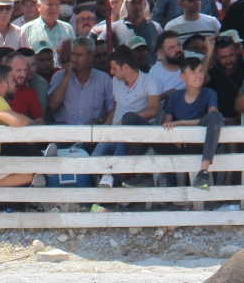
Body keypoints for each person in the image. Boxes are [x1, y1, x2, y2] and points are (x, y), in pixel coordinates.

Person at [93, 45, 159, 184]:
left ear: (125, 67)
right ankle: (96, 194)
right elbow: (117, 105)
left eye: (114, 68)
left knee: (123, 141)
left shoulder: (149, 81)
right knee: (94, 159)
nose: (111, 72)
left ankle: (113, 183)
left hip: (135, 135)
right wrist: (106, 125)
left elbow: (153, 110)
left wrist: (126, 120)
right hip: (113, 131)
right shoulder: (116, 80)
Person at [160, 54, 223, 190]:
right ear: (183, 77)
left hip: (200, 144)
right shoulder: (175, 97)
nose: (198, 75)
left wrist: (182, 124)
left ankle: (203, 173)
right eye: (193, 72)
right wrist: (178, 134)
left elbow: (213, 117)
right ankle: (144, 177)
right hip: (178, 144)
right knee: (130, 118)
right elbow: (164, 126)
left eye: (200, 71)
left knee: (216, 116)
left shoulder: (209, 93)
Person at [49, 37, 113, 126]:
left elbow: (113, 109)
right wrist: (67, 76)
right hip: (64, 134)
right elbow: (53, 105)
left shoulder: (104, 79)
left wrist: (102, 121)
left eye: (79, 55)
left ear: (90, 57)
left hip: (92, 134)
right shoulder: (59, 76)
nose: (74, 59)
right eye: (72, 54)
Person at [205, 34, 244, 118]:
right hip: (217, 120)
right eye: (223, 57)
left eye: (231, 55)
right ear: (216, 56)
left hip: (243, 122)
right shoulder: (212, 73)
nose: (228, 61)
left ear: (236, 51)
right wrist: (209, 52)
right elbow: (200, 80)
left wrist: (237, 119)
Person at [149, 30, 185, 94]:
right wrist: (166, 95)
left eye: (178, 45)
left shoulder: (190, 57)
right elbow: (154, 100)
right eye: (171, 47)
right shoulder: (155, 72)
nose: (178, 49)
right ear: (161, 53)